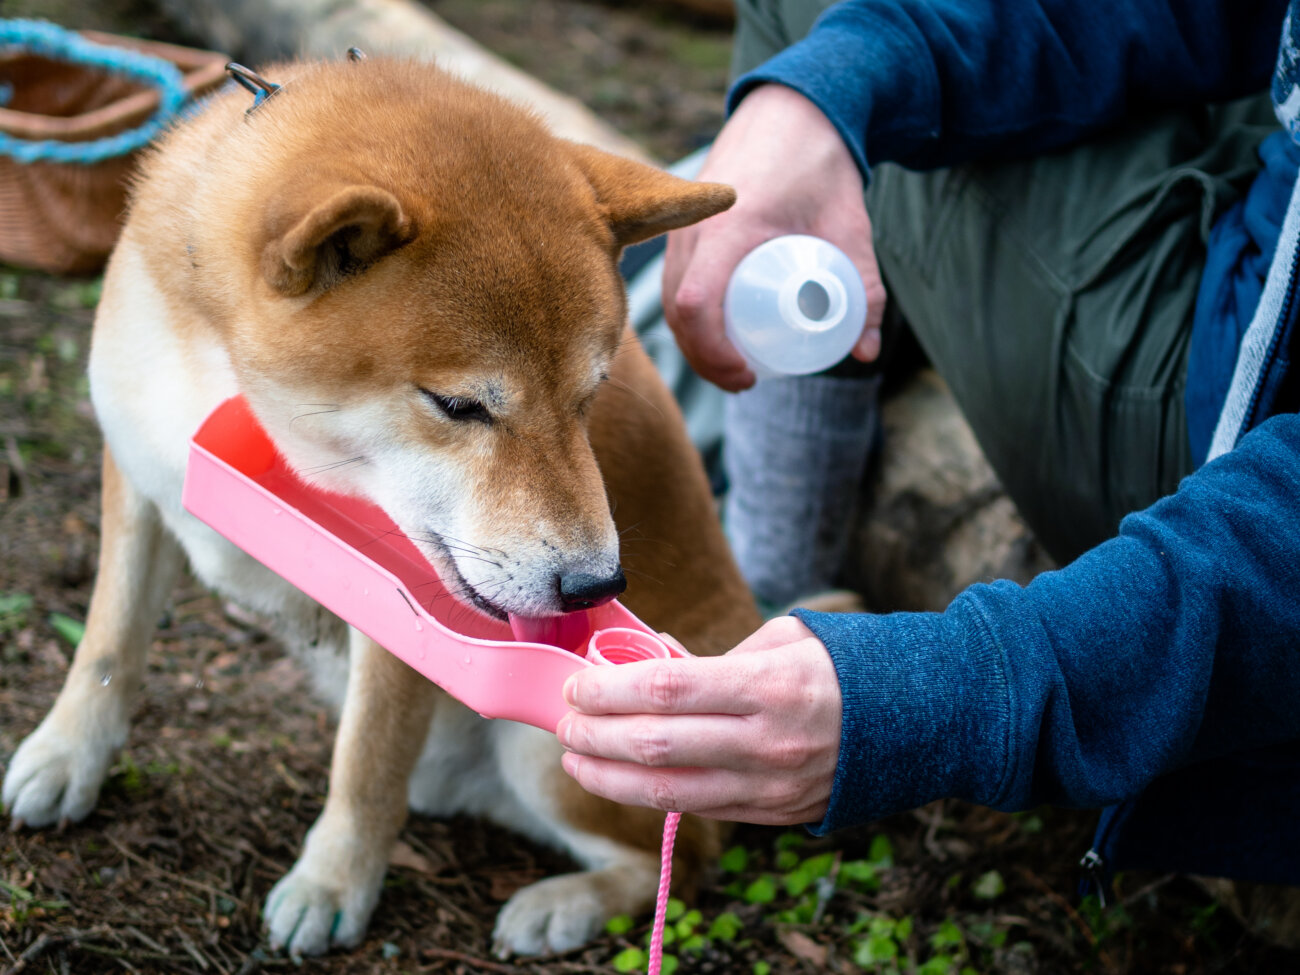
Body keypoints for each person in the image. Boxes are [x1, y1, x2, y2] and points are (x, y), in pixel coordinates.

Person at [557, 0, 1300, 906]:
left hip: (1233, 433)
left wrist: (944, 695)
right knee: (838, 78)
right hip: (1265, 209)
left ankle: (773, 578)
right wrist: (836, 84)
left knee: (814, 35)